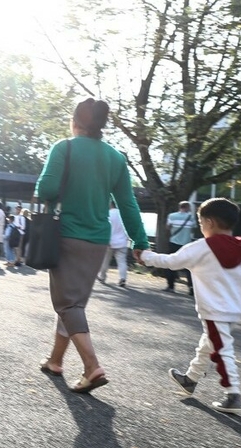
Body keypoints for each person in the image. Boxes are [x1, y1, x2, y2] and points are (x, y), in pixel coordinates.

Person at [35, 98, 148, 394]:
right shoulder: (116, 158)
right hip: (98, 241)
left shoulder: (64, 147)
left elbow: (46, 189)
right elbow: (127, 203)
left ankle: (91, 366)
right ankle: (55, 361)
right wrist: (140, 240)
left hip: (67, 236)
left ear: (75, 122)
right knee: (74, 303)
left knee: (67, 303)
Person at [138, 198, 241, 413]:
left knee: (221, 350)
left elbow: (172, 261)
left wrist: (146, 256)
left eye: (200, 223)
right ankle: (190, 379)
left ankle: (233, 394)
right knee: (208, 345)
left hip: (213, 310)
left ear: (209, 222)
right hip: (233, 311)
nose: (200, 227)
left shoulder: (202, 247)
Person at [165, 201, 196, 294]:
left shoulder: (172, 216)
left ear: (180, 207)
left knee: (170, 264)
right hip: (186, 244)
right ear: (187, 208)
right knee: (189, 266)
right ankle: (191, 287)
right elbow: (193, 227)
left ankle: (171, 286)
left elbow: (168, 227)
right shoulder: (191, 218)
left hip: (174, 242)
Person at [97, 200, 130, 287]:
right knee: (122, 261)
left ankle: (102, 276)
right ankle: (123, 278)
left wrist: (105, 239)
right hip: (122, 242)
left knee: (105, 260)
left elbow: (106, 228)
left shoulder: (108, 214)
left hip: (110, 241)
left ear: (110, 204)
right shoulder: (124, 214)